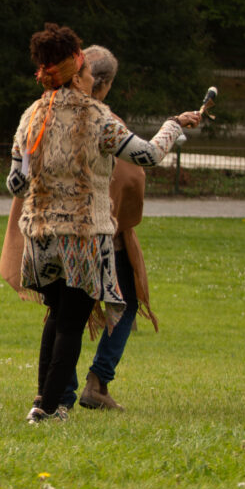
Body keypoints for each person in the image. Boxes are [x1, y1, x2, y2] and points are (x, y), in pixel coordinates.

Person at [6, 23, 198, 424]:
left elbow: (15, 179)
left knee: (56, 316)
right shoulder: (97, 116)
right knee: (72, 322)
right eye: (88, 71)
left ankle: (43, 398)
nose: (93, 76)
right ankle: (50, 407)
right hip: (82, 235)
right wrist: (173, 126)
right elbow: (146, 155)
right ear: (76, 75)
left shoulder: (31, 113)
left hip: (39, 235)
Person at [70, 45, 159, 412]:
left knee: (68, 310)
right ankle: (97, 381)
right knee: (123, 303)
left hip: (63, 232)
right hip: (105, 234)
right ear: (101, 84)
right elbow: (134, 173)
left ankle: (59, 390)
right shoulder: (104, 120)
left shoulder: (51, 113)